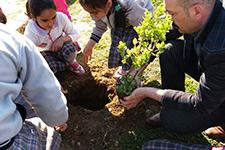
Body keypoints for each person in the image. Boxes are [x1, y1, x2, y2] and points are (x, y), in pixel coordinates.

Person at [121, 0, 225, 135]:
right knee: (168, 51)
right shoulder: (207, 13)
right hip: (215, 71)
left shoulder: (219, 48)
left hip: (213, 92)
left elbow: (200, 104)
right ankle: (173, 106)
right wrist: (138, 67)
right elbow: (166, 34)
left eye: (172, 14)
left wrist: (145, 92)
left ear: (197, 11)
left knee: (171, 120)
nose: (171, 19)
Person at [0, 21, 68, 149]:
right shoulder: (9, 39)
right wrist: (58, 119)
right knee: (47, 131)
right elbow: (46, 93)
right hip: (5, 143)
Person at [79, 0, 154, 78]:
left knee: (130, 46)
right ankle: (124, 66)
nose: (92, 17)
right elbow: (100, 26)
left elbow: (144, 25)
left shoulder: (132, 8)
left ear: (109, 4)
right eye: (89, 13)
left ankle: (134, 70)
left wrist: (142, 48)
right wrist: (90, 45)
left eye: (95, 13)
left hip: (139, 23)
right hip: (120, 22)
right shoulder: (102, 7)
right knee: (118, 44)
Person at [24, 0, 85, 75]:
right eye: (45, 20)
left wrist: (62, 39)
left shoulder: (61, 17)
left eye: (53, 17)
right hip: (46, 52)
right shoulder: (31, 30)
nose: (51, 23)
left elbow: (76, 34)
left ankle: (71, 62)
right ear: (33, 17)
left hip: (62, 47)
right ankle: (63, 65)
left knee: (70, 50)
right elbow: (29, 52)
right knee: (49, 67)